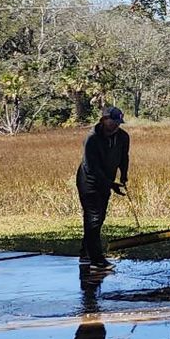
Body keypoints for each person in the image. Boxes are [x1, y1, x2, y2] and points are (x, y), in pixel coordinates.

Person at [75, 105, 130, 269]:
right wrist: (110, 184)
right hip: (89, 182)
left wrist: (124, 176)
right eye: (113, 121)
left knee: (99, 218)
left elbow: (124, 157)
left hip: (107, 181)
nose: (116, 125)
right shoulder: (91, 139)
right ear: (104, 120)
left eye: (119, 122)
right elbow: (92, 168)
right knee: (93, 218)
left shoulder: (123, 137)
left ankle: (85, 253)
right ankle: (96, 260)